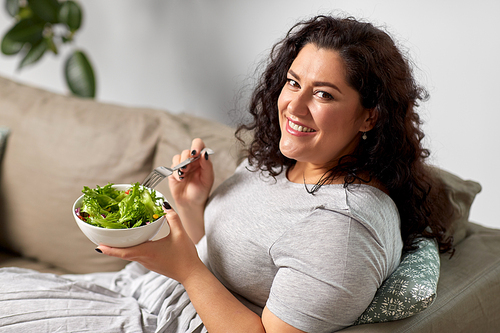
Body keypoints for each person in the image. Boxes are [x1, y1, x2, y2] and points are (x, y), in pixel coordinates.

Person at [0, 15, 453, 333]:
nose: (292, 106)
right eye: (293, 82)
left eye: (324, 95)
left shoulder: (343, 227)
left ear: (370, 117)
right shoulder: (289, 163)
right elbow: (229, 265)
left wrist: (184, 270)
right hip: (139, 294)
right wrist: (194, 202)